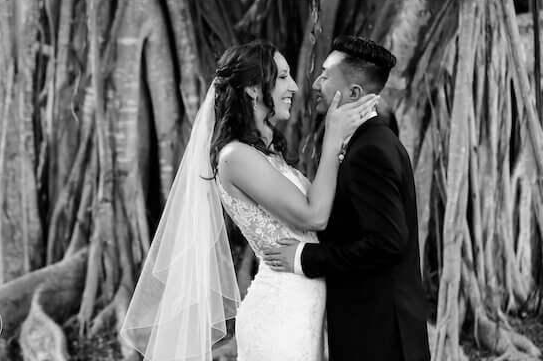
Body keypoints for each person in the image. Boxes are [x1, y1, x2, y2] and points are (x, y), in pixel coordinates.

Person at [120, 40, 378, 360]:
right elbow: (314, 217)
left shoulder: (269, 156)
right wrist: (332, 138)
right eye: (283, 77)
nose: (295, 86)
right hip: (280, 316)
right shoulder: (235, 157)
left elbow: (328, 207)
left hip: (305, 311)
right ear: (254, 89)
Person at [264, 36, 431, 361]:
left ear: (354, 93)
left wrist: (306, 258)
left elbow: (387, 242)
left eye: (326, 75)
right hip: (375, 329)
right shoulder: (372, 142)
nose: (315, 83)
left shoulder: (370, 151)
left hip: (379, 335)